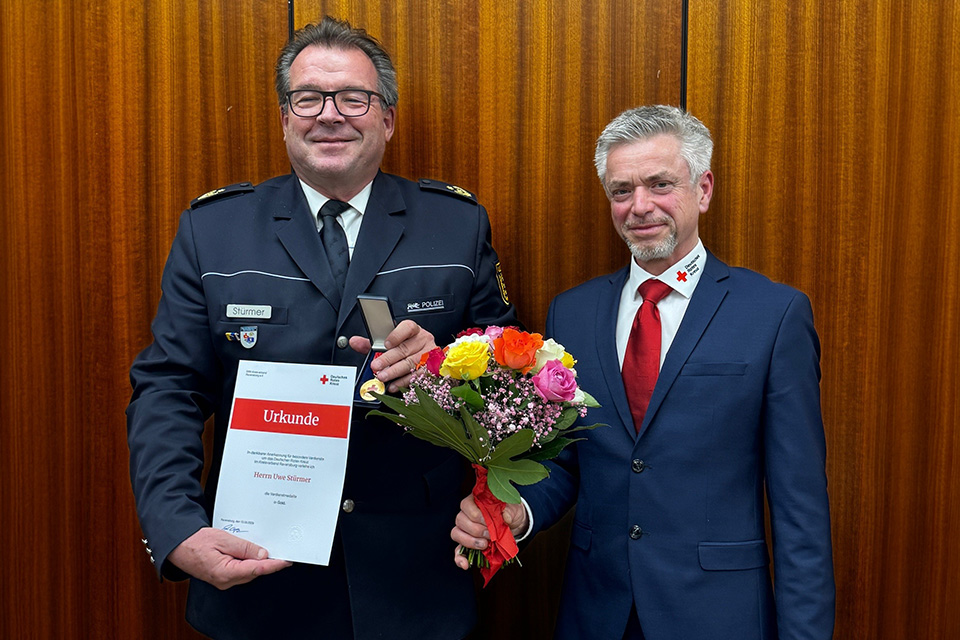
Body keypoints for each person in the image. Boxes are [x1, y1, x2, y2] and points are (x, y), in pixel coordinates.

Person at [127, 16, 516, 639]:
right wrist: (176, 530)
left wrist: (442, 367)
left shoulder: (457, 225)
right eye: (308, 98)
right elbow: (168, 388)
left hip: (413, 582)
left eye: (353, 98)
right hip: (256, 576)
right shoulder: (213, 228)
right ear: (286, 117)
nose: (329, 114)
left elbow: (510, 384)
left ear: (386, 118)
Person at [451, 105, 834, 639]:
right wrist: (520, 514)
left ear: (703, 190)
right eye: (621, 190)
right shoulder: (573, 313)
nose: (640, 207)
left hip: (718, 617)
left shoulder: (773, 315)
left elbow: (800, 511)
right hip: (597, 614)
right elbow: (565, 462)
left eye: (660, 184)